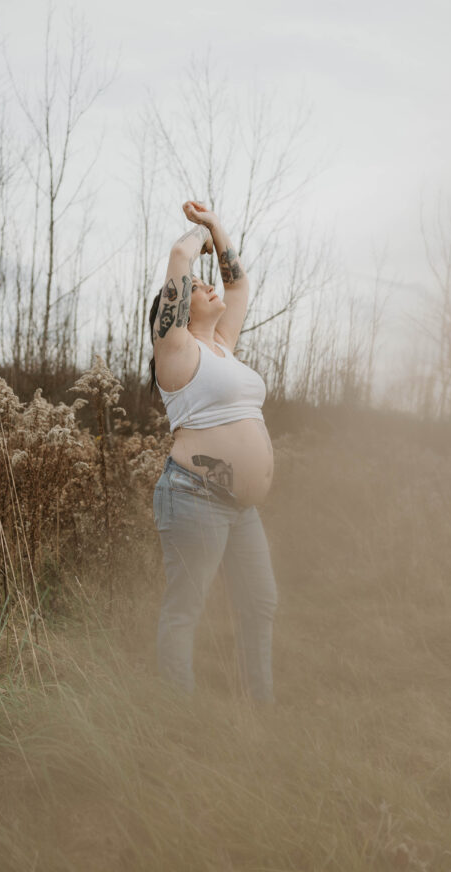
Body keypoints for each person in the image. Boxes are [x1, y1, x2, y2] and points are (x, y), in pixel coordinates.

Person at [148, 201, 278, 704]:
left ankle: (259, 712)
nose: (209, 286)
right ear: (175, 310)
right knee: (187, 609)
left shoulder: (222, 344)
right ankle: (176, 722)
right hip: (194, 495)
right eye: (197, 286)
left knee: (259, 603)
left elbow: (239, 286)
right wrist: (190, 241)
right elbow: (180, 263)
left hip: (240, 506)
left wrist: (218, 228)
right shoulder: (177, 350)